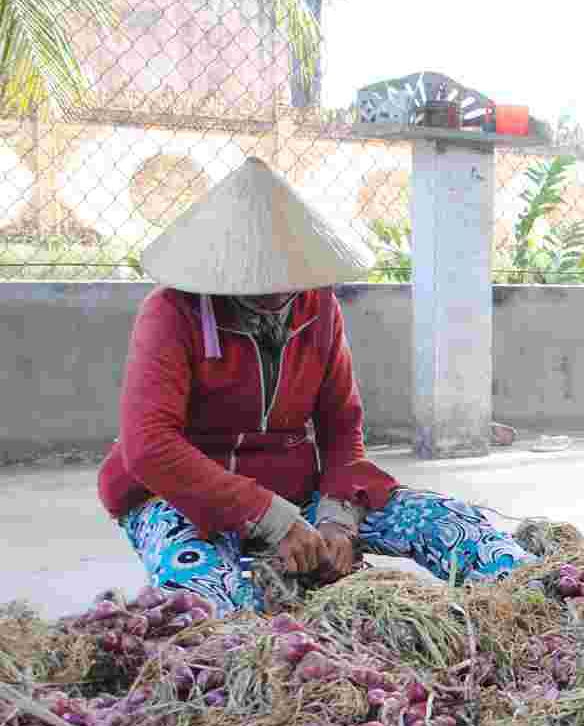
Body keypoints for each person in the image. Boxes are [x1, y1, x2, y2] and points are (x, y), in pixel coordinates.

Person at [98, 158, 536, 615]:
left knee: (456, 528)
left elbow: (342, 428)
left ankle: (544, 595)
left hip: (293, 491)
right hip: (181, 498)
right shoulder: (172, 313)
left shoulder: (319, 308)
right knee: (209, 610)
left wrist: (337, 518)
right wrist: (268, 517)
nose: (274, 293)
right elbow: (149, 446)